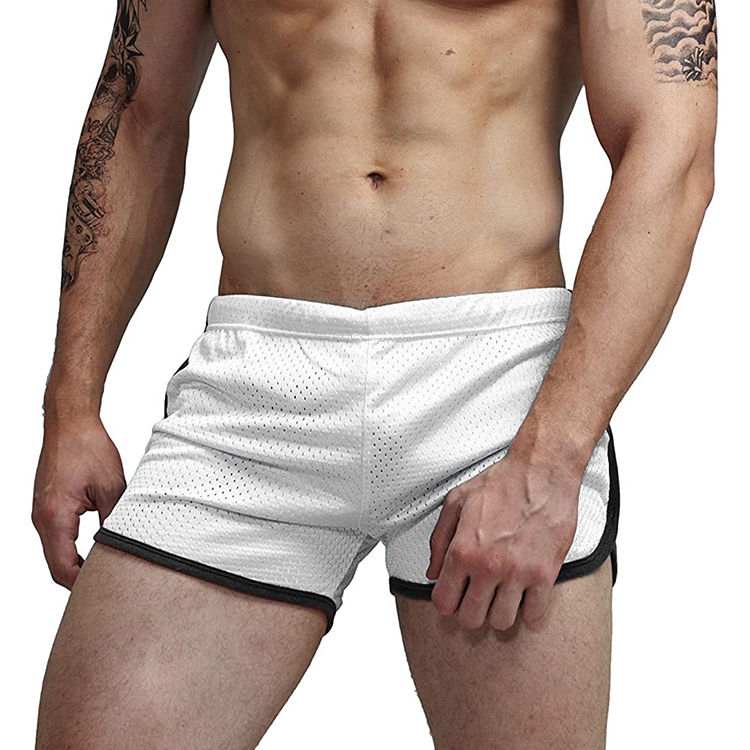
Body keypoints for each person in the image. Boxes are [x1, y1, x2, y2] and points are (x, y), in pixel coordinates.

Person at [32, 0, 717, 747]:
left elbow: (671, 149)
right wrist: (71, 403)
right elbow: (137, 110)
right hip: (258, 390)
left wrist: (549, 462)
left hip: (499, 394)